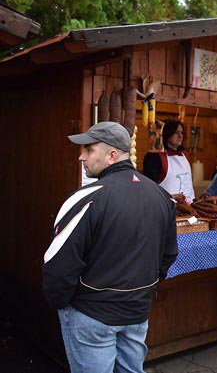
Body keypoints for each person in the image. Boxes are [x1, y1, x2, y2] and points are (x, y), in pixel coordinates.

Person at [42, 122, 178, 373]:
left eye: (89, 149)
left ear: (111, 155)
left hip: (92, 313)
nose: (81, 157)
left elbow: (58, 266)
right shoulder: (162, 197)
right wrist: (142, 291)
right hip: (136, 312)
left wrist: (63, 303)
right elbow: (168, 255)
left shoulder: (85, 198)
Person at [143, 119, 195, 203]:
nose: (180, 136)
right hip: (166, 207)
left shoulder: (185, 155)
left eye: (182, 133)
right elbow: (148, 188)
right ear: (167, 133)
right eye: (176, 132)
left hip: (191, 206)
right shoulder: (155, 158)